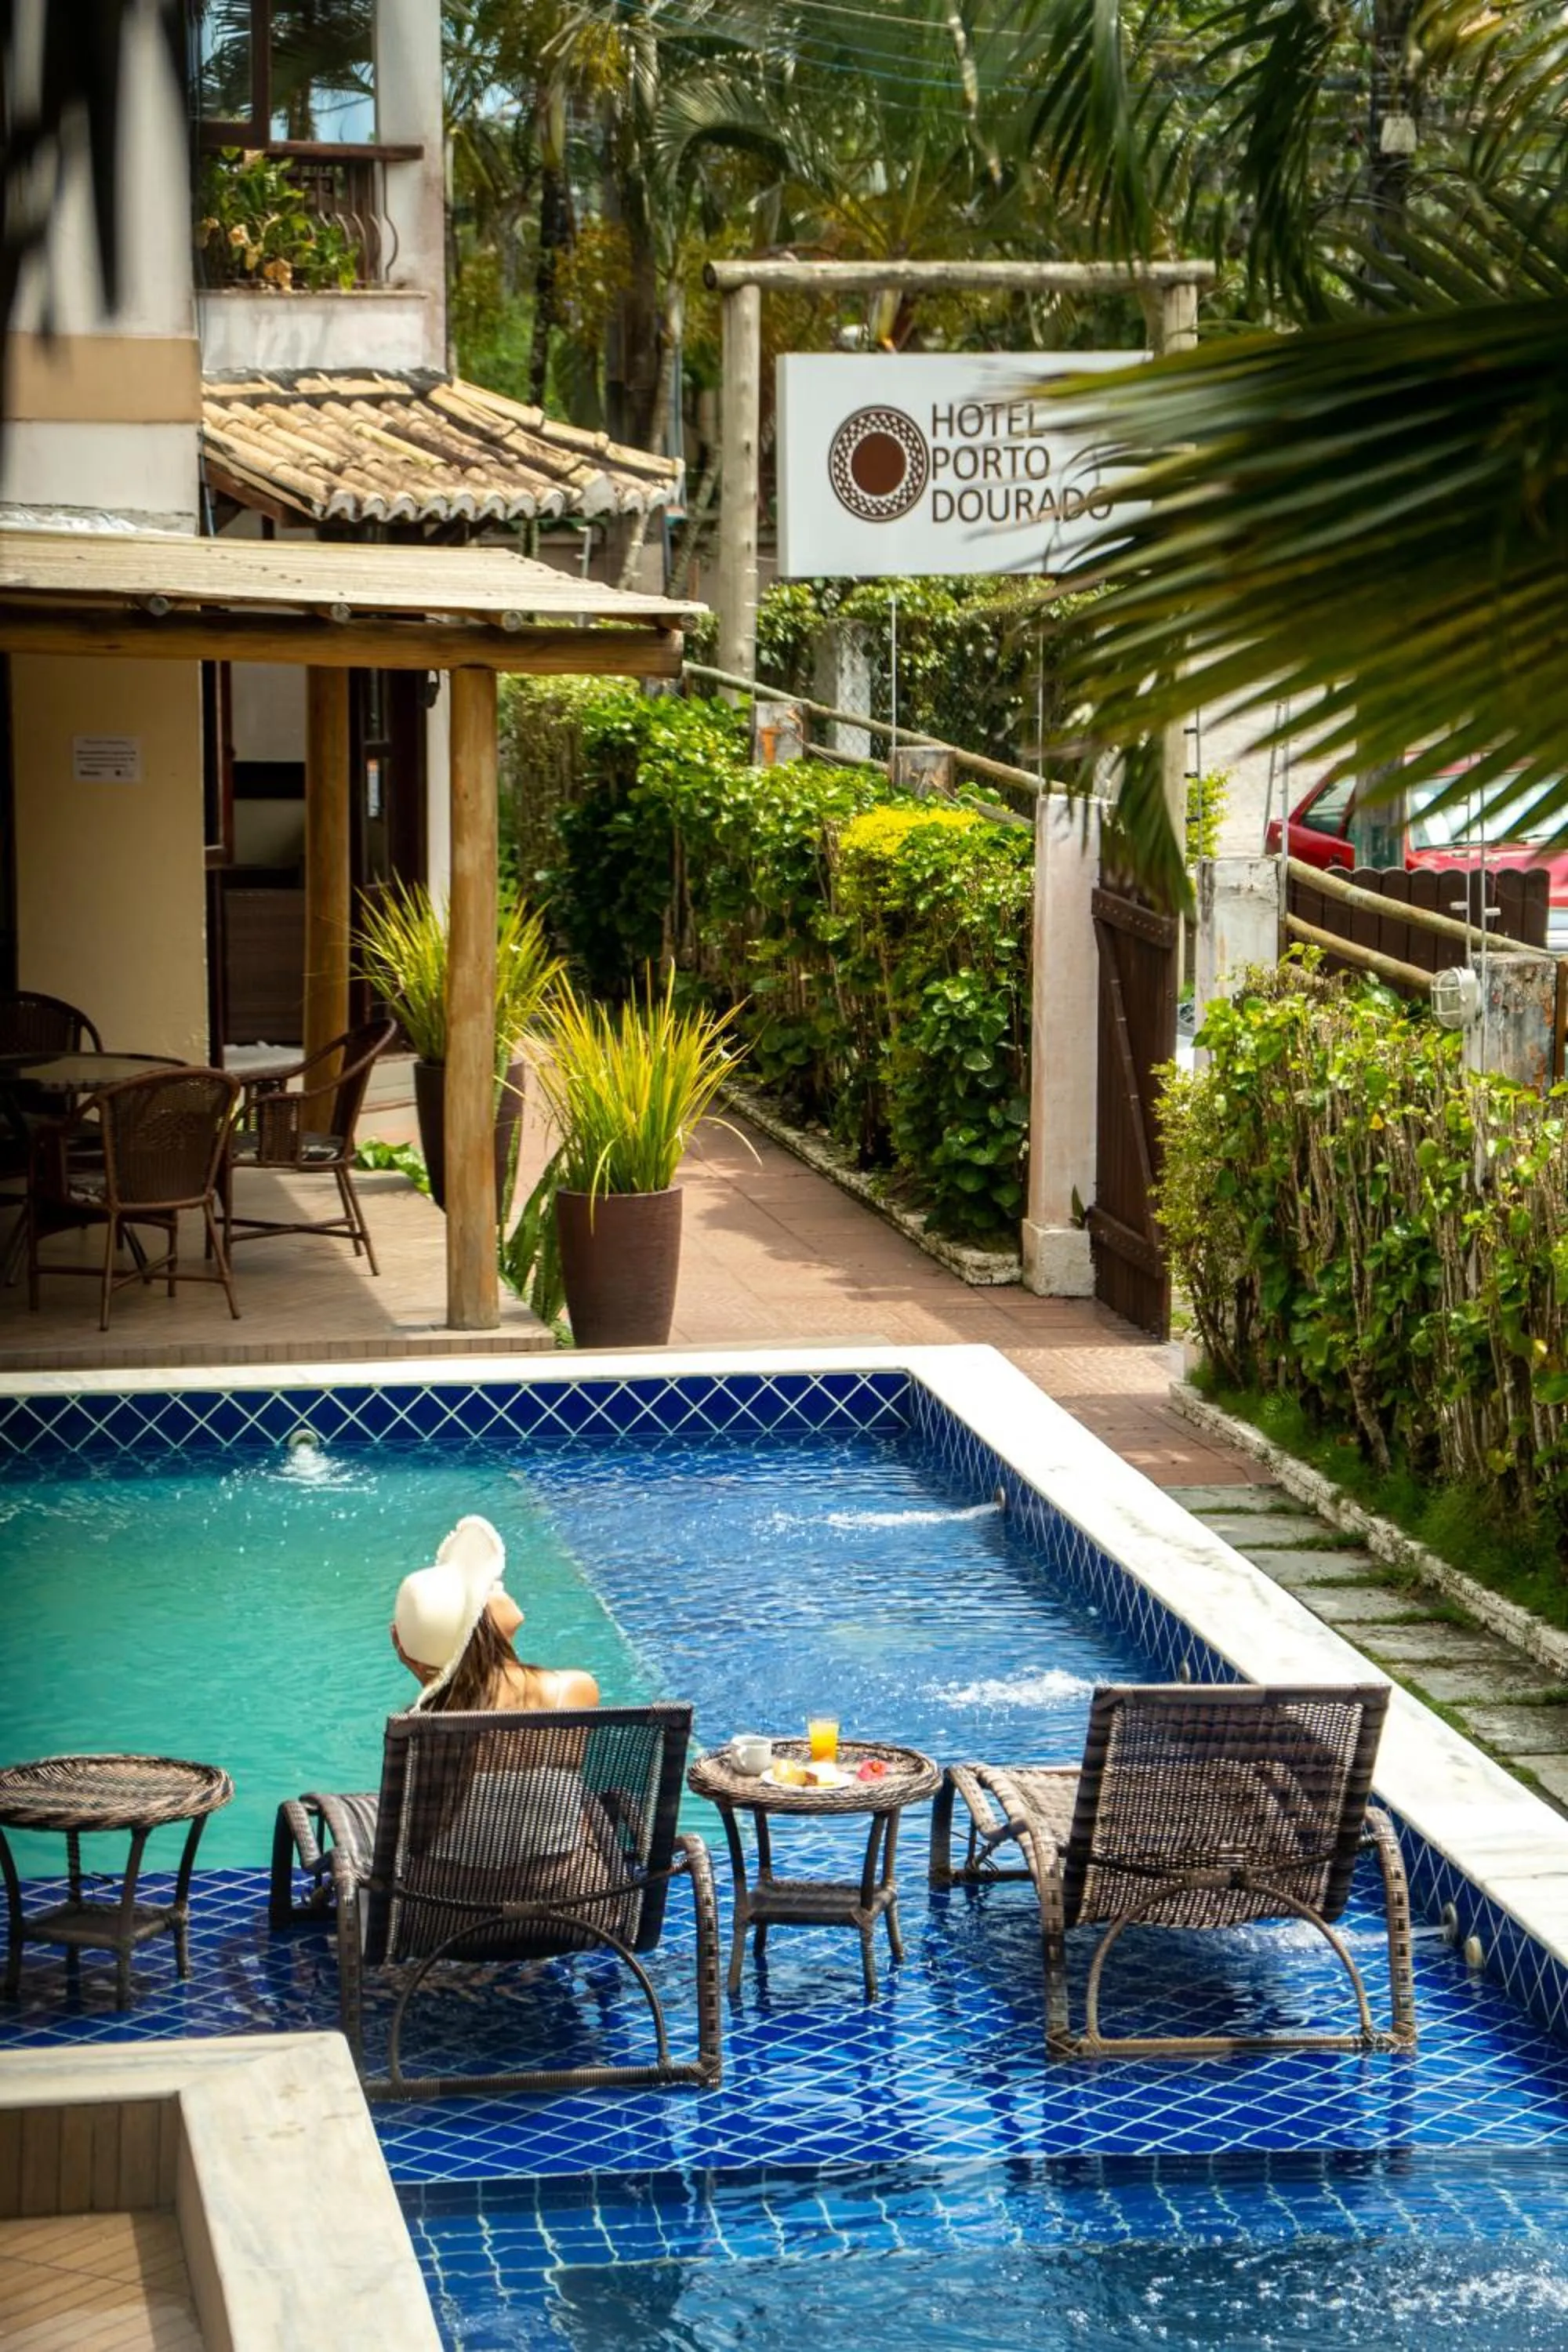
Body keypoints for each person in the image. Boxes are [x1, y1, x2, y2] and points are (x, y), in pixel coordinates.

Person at [390, 1515, 600, 1714]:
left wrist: (432, 1679)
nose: (499, 1584)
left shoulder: (423, 1728)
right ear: (480, 1624)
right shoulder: (570, 1691)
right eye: (489, 1588)